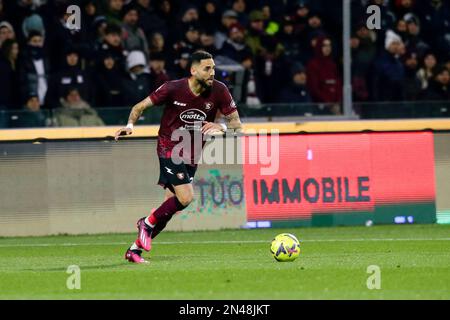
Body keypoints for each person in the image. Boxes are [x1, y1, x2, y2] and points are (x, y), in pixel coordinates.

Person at [114, 50, 243, 264]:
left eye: (213, 68)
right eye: (207, 68)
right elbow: (140, 107)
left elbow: (237, 127)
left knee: (168, 208)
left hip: (192, 153)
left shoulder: (220, 91)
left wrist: (221, 127)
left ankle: (134, 250)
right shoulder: (172, 88)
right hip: (169, 148)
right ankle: (145, 224)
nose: (212, 72)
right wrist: (129, 126)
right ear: (193, 70)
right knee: (186, 198)